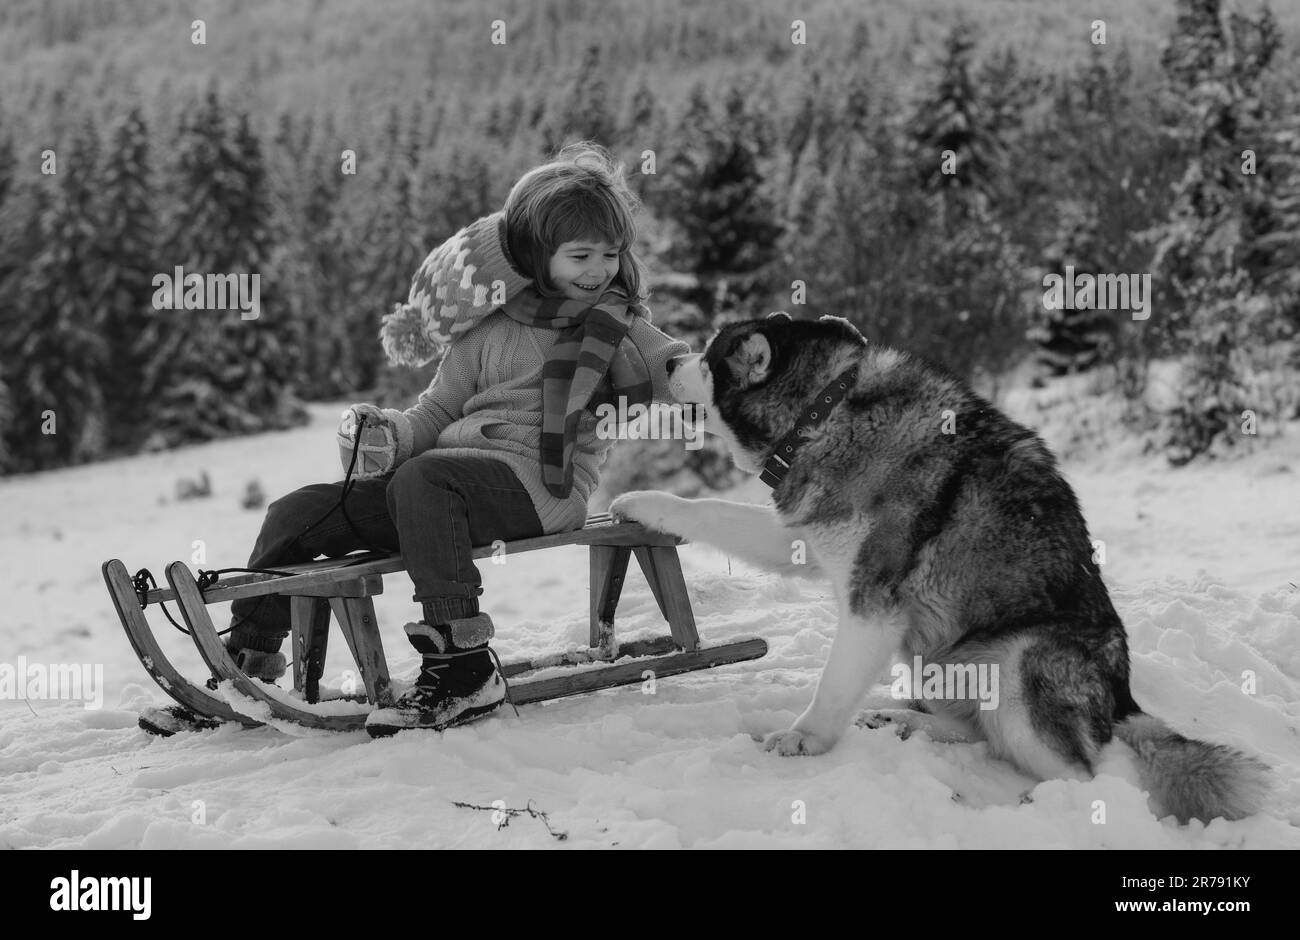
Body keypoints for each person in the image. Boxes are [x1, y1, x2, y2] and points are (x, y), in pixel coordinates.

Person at [224, 142, 691, 736]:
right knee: (297, 512)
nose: (598, 269)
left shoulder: (617, 325)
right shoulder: (486, 326)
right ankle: (248, 664)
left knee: (426, 480)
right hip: (439, 493)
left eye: (609, 254)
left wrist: (714, 377)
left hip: (540, 487)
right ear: (534, 255)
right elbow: (437, 409)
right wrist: (391, 434)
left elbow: (673, 365)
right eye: (580, 255)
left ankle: (462, 662)